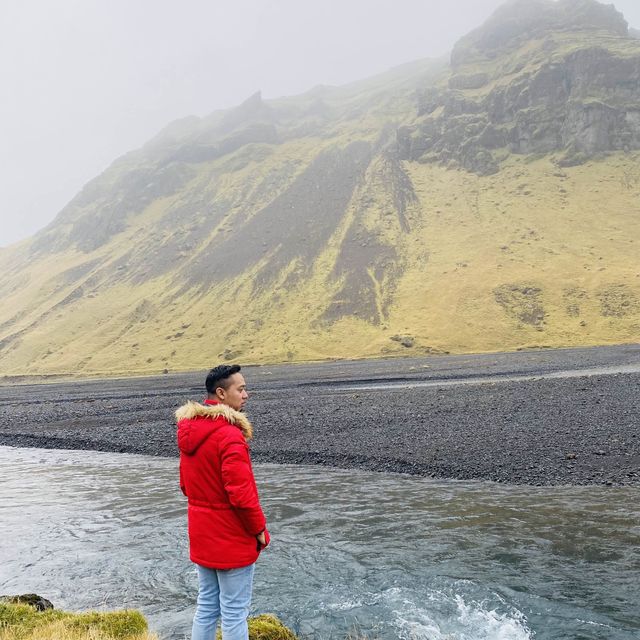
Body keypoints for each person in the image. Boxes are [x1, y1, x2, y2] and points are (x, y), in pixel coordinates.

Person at [176, 364, 269, 640]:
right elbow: (242, 496)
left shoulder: (189, 430)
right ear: (221, 393)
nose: (246, 394)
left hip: (202, 532)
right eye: (240, 389)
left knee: (206, 605)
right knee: (234, 611)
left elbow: (185, 485)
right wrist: (259, 530)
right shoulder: (230, 436)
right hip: (231, 535)